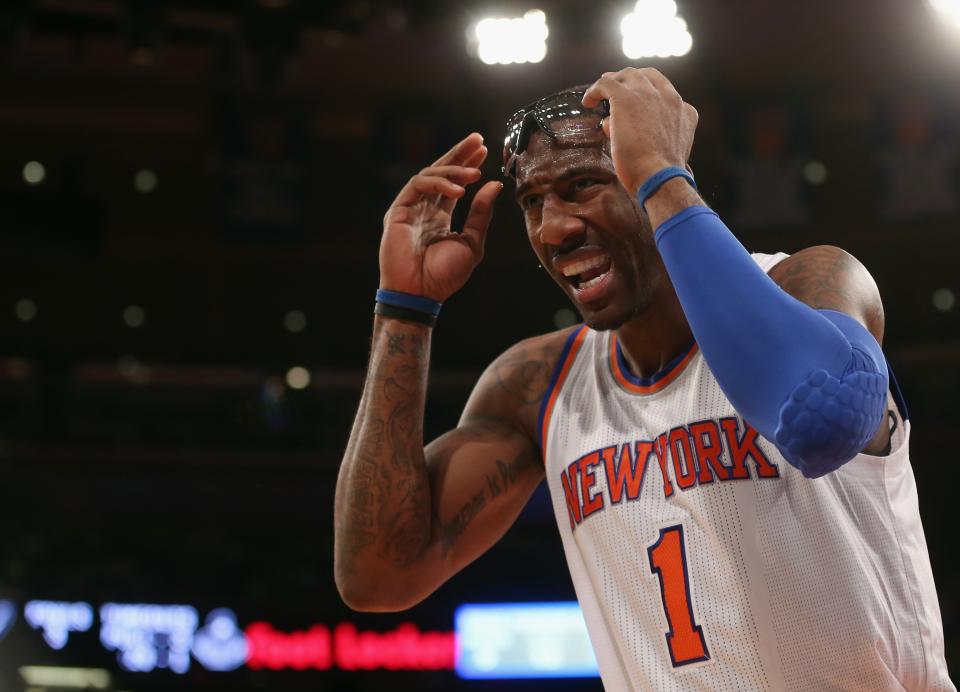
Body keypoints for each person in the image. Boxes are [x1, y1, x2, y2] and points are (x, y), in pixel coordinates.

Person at [333, 68, 954, 690]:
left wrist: (660, 170)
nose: (553, 229)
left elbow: (826, 420)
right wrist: (404, 311)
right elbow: (378, 577)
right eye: (532, 203)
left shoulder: (807, 284)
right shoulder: (536, 384)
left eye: (582, 186)